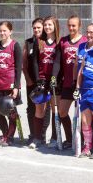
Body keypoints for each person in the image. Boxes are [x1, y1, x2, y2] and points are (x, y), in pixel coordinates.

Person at [51, 15, 87, 149]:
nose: (71, 28)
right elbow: (57, 62)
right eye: (69, 25)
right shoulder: (63, 41)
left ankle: (84, 141)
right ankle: (69, 139)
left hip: (81, 84)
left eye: (74, 25)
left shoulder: (84, 41)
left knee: (83, 115)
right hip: (67, 83)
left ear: (79, 26)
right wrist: (54, 76)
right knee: (62, 112)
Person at [0, 21, 23, 147]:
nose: (2, 33)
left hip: (10, 85)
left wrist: (17, 87)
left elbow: (19, 68)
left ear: (10, 32)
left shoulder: (15, 46)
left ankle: (10, 137)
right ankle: (5, 133)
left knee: (10, 111)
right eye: (0, 31)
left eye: (5, 31)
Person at [28, 16, 60, 149]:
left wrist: (55, 78)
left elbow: (59, 62)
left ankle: (54, 138)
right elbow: (35, 62)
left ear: (55, 26)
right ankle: (37, 138)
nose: (47, 27)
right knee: (39, 110)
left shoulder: (59, 42)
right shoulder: (39, 41)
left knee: (54, 109)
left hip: (54, 80)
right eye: (45, 25)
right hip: (41, 80)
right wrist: (37, 79)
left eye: (49, 25)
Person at [23, 18, 50, 144]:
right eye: (34, 28)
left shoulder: (46, 42)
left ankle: (42, 134)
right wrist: (28, 79)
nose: (36, 30)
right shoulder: (28, 42)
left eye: (39, 27)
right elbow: (25, 63)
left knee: (45, 108)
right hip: (32, 82)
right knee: (31, 108)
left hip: (44, 81)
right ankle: (33, 133)